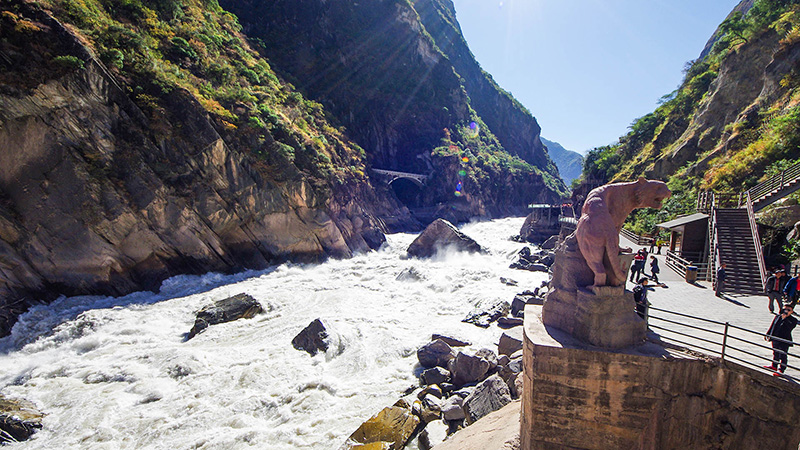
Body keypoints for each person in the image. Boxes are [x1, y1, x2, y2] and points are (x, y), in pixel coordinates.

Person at [764, 305, 798, 376]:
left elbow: (790, 328)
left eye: (788, 310)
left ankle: (782, 369)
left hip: (784, 339)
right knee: (775, 352)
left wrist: (785, 319)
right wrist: (768, 334)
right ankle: (774, 365)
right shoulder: (778, 316)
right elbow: (773, 325)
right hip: (775, 337)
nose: (786, 311)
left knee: (783, 355)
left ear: (791, 312)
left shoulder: (793, 320)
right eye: (785, 309)